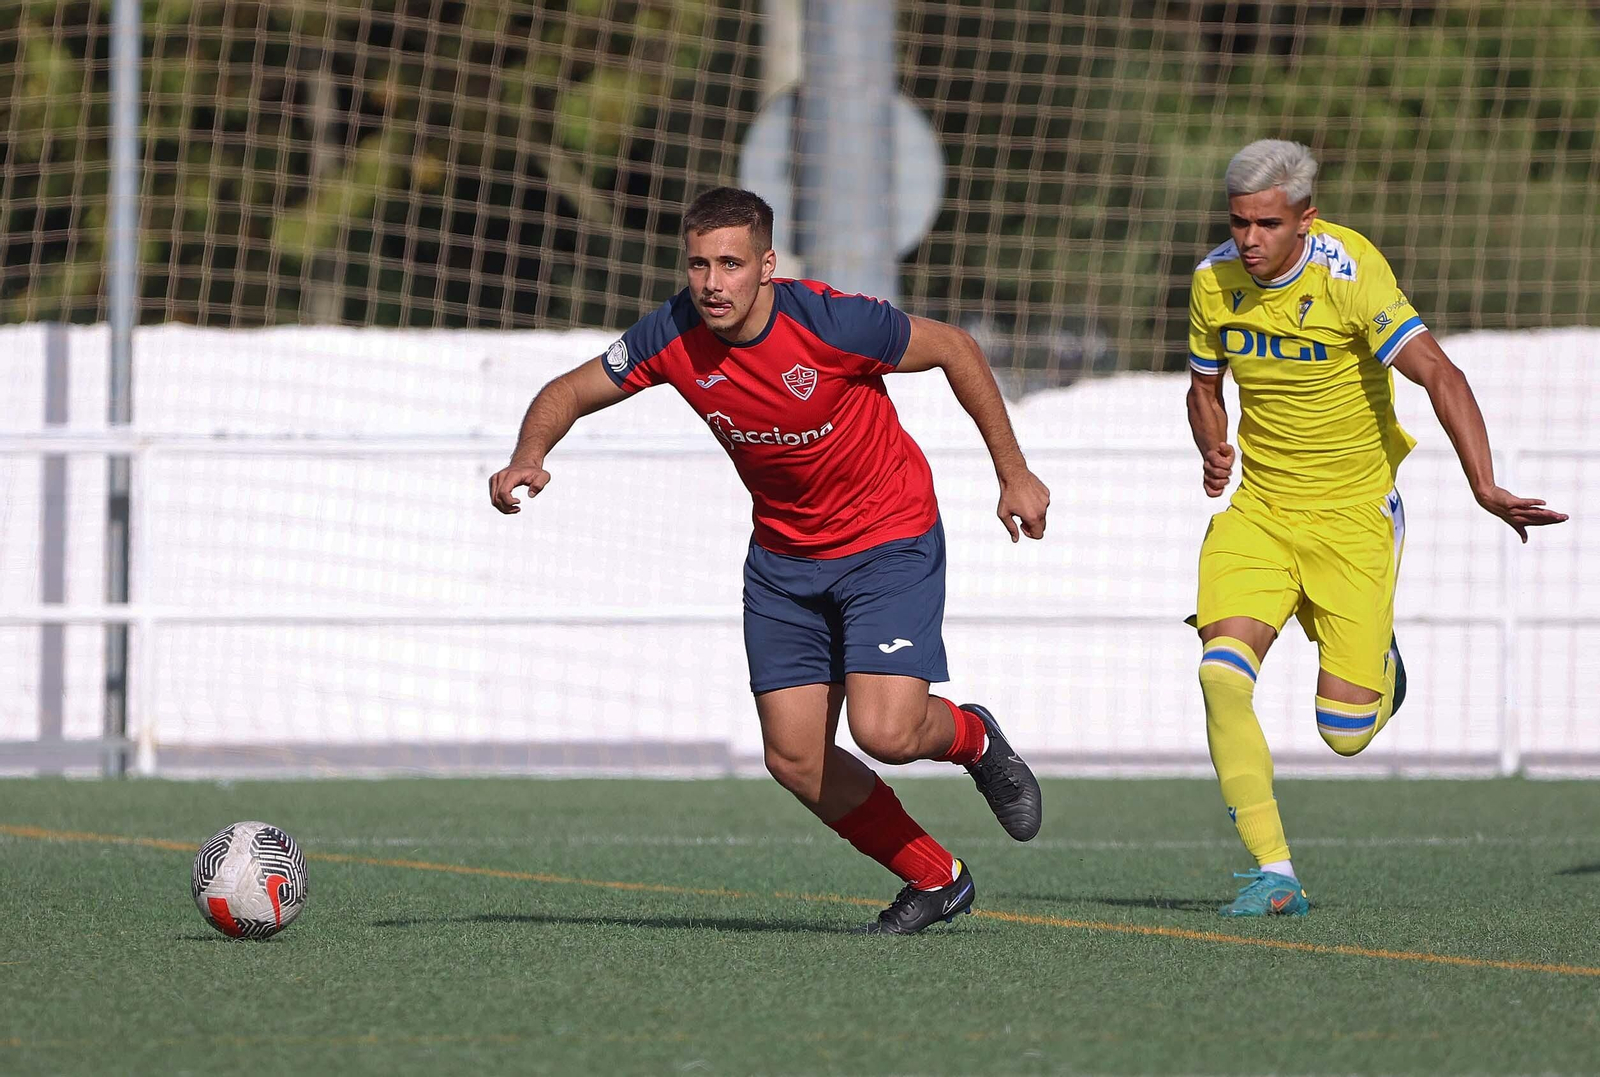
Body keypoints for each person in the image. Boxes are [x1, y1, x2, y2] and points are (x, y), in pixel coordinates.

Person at [490, 187, 1051, 934]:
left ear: (766, 265)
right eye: (697, 264)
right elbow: (571, 389)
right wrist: (528, 455)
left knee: (886, 732)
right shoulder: (672, 332)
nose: (712, 283)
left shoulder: (830, 320)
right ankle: (936, 876)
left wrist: (1012, 472)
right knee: (793, 759)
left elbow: (955, 347)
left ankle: (973, 737)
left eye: (729, 263)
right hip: (785, 562)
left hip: (887, 540)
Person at [1186, 140, 1569, 917]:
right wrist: (1212, 441)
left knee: (1345, 733)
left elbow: (1440, 373)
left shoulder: (1352, 272)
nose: (1249, 239)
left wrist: (1485, 485)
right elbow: (1202, 385)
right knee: (1221, 676)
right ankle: (1276, 871)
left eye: (1266, 223)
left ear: (1305, 220)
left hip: (1355, 518)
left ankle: (1381, 664)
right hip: (1259, 513)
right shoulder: (1211, 280)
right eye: (1239, 223)